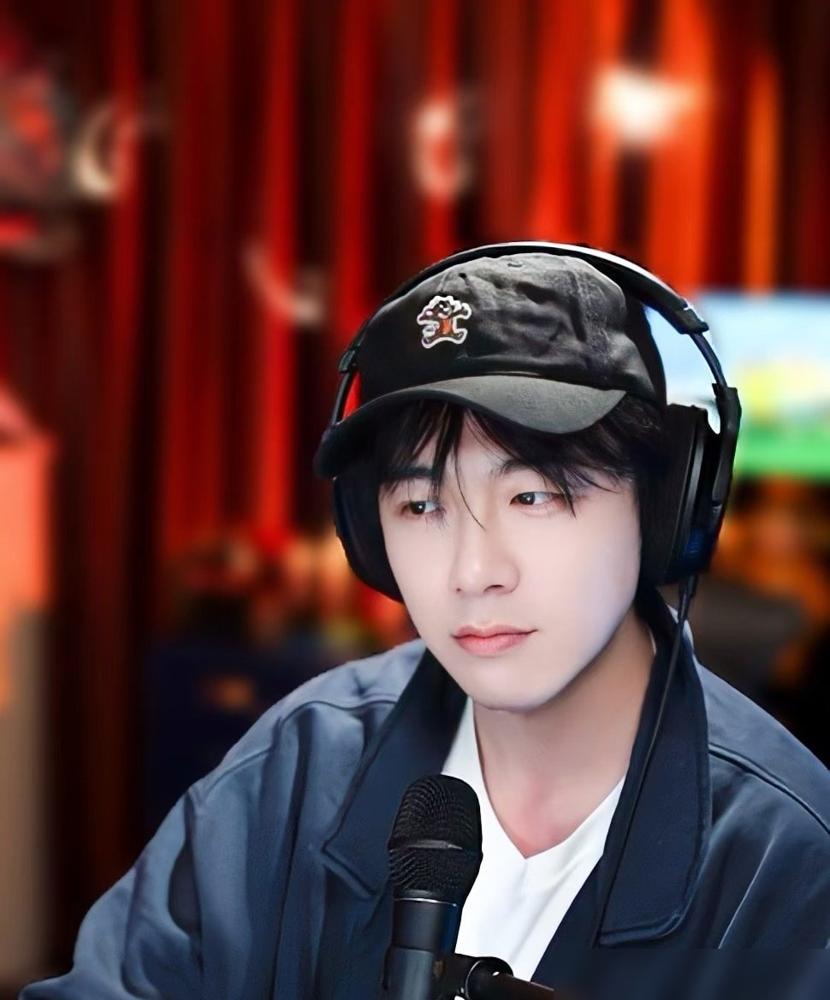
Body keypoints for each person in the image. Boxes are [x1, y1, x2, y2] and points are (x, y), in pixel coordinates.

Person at [21, 247, 829, 1000]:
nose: (473, 572)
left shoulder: (788, 859)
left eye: (534, 496)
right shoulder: (298, 767)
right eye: (419, 505)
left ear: (664, 507)